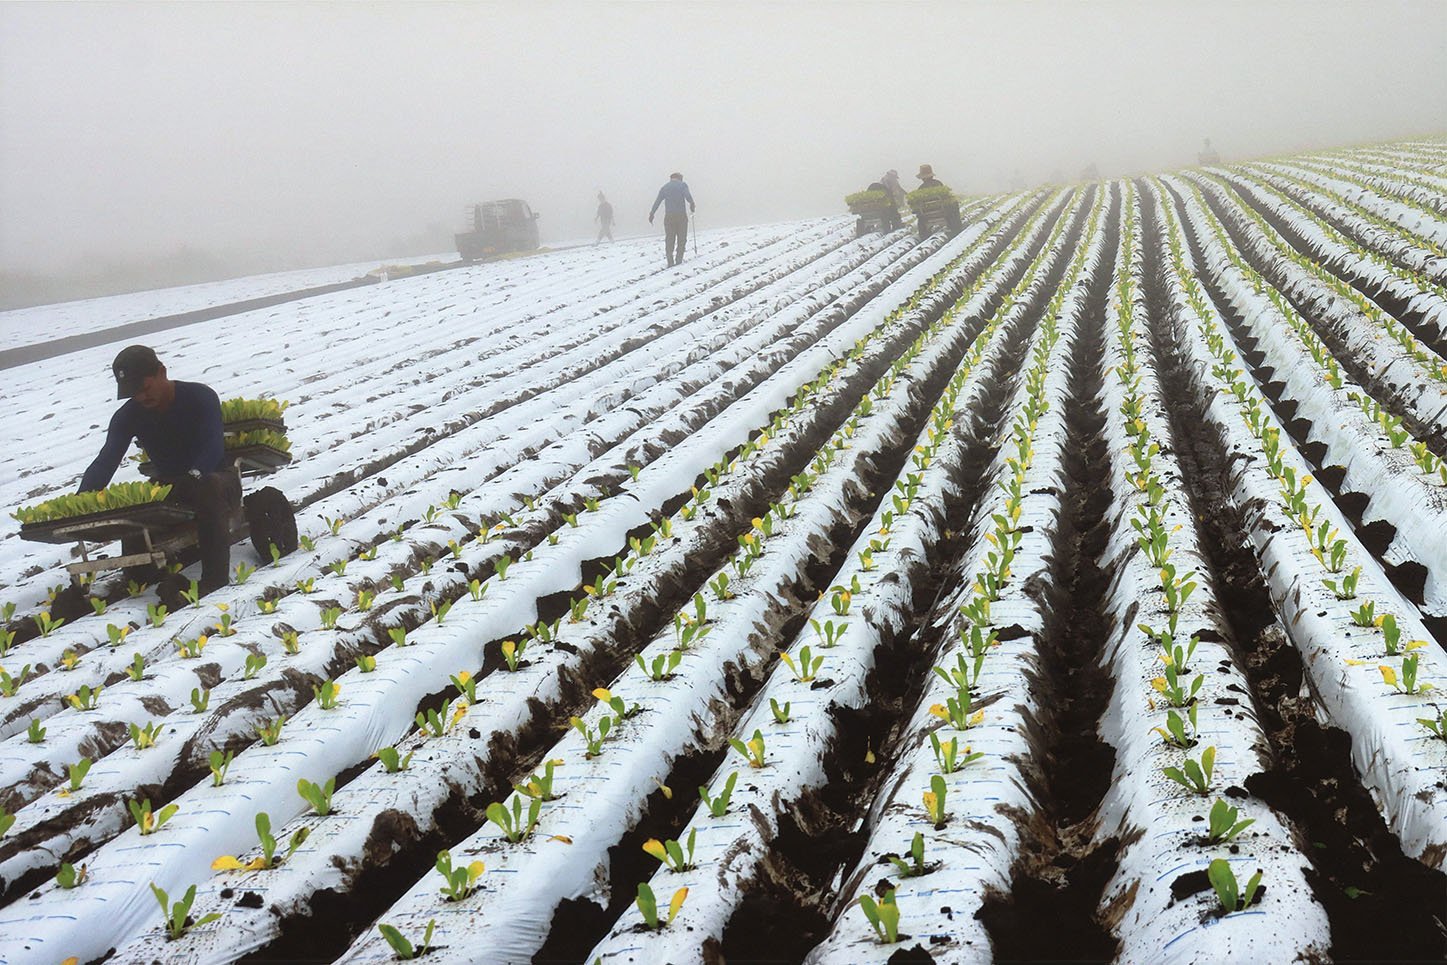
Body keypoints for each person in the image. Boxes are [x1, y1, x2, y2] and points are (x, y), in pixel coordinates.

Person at [79, 345, 239, 596]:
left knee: (209, 486)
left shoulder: (200, 396)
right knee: (136, 505)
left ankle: (214, 581)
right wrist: (82, 500)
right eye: (134, 393)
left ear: (162, 372)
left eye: (145, 388)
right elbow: (106, 460)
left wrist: (195, 475)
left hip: (216, 480)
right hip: (171, 488)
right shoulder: (127, 416)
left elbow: (213, 445)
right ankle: (139, 578)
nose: (142, 397)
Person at [648, 172, 696, 267]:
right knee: (681, 238)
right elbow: (688, 196)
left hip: (669, 217)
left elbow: (657, 202)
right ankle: (679, 260)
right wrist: (692, 204)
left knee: (670, 239)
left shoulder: (665, 187)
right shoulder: (682, 185)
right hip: (681, 216)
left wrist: (652, 213)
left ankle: (670, 261)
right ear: (680, 178)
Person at [914, 164, 962, 236]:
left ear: (922, 178)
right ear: (931, 175)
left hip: (926, 213)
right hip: (942, 210)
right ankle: (957, 227)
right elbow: (946, 198)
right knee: (954, 204)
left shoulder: (921, 188)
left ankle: (924, 233)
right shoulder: (938, 184)